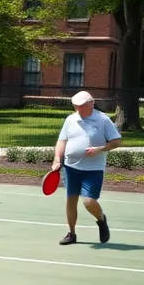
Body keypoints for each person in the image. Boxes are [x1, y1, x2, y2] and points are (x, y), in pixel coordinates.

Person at [51, 90, 122, 245]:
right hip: (70, 167)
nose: (79, 109)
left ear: (92, 103)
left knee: (89, 201)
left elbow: (116, 141)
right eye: (76, 106)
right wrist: (57, 158)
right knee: (71, 200)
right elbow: (62, 140)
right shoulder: (71, 119)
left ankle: (101, 220)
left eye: (82, 106)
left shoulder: (103, 120)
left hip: (93, 169)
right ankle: (72, 233)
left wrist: (100, 149)